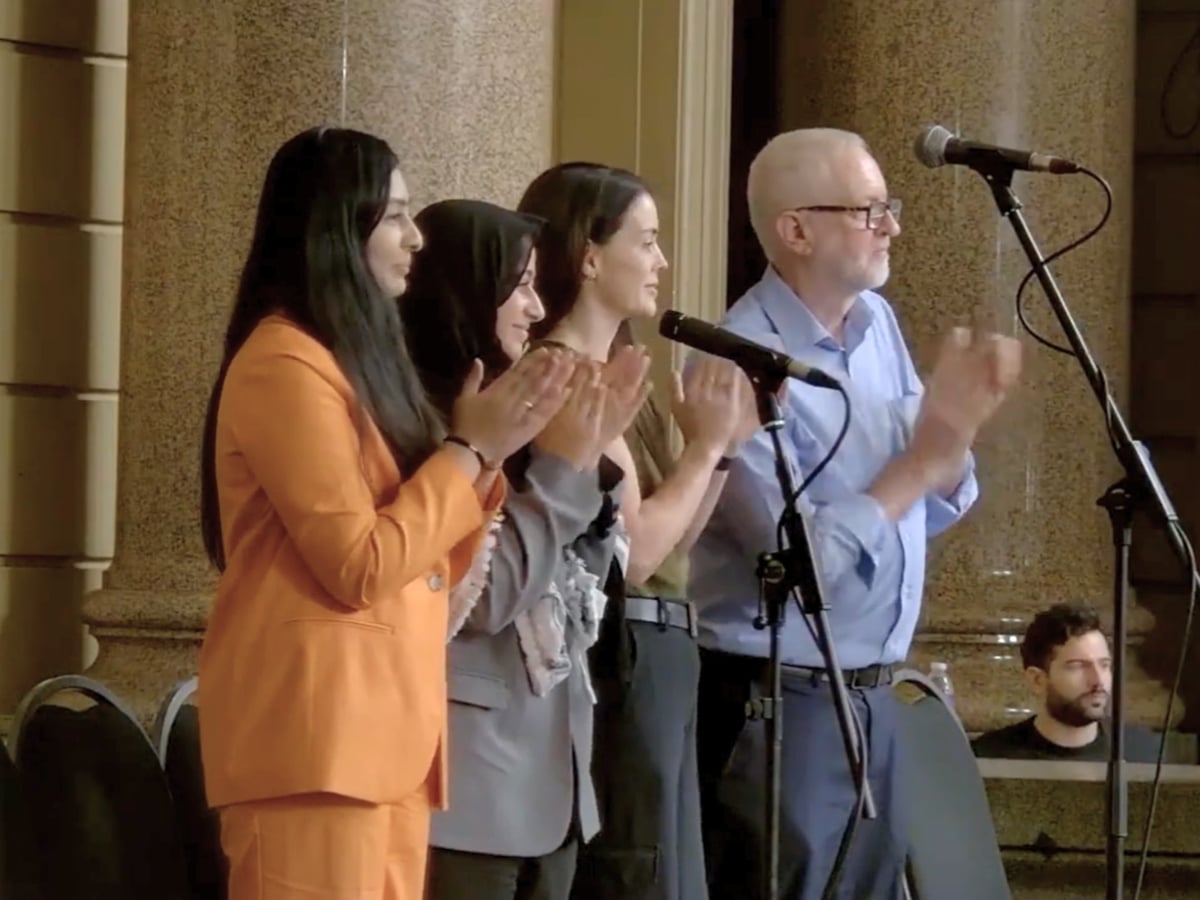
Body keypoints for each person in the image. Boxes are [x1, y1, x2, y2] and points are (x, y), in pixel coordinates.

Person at [196, 128, 573, 900]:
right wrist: (471, 449)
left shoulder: (345, 361)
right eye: (395, 215)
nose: (416, 236)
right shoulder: (283, 362)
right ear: (339, 226)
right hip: (317, 746)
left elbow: (427, 569)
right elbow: (359, 563)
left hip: (383, 745)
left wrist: (487, 455)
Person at [690, 127, 1022, 899]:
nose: (893, 227)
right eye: (870, 211)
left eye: (889, 208)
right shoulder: (737, 358)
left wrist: (952, 439)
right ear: (796, 229)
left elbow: (916, 515)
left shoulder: (880, 329)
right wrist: (922, 461)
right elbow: (798, 562)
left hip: (874, 692)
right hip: (782, 702)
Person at [518, 162, 757, 900]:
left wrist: (720, 451)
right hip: (621, 650)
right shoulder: (565, 376)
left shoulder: (623, 377)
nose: (661, 262)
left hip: (666, 639)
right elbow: (638, 551)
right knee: (637, 864)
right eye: (646, 241)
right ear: (590, 257)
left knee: (675, 864)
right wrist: (706, 449)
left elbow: (676, 549)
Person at [400, 198, 647, 900]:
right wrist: (566, 470)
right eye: (520, 284)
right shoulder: (423, 425)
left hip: (551, 776)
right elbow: (486, 595)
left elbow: (573, 592)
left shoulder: (514, 412)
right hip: (470, 788)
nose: (537, 309)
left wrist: (588, 469)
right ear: (463, 286)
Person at [972, 603, 1161, 762]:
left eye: (1104, 665)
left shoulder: (1140, 751)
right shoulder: (991, 757)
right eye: (1077, 666)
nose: (1098, 681)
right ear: (1037, 680)